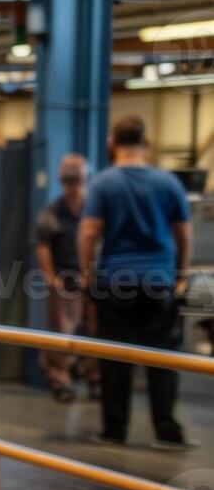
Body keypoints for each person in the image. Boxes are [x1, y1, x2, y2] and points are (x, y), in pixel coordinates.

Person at [79, 117, 196, 451]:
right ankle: (167, 430)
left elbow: (89, 232)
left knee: (115, 359)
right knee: (164, 359)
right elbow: (183, 232)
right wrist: (181, 275)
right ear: (146, 142)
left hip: (116, 281)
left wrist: (88, 276)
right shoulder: (168, 183)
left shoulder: (103, 184)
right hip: (159, 281)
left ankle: (114, 430)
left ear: (111, 143)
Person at [35, 154, 97, 402]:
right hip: (64, 281)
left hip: (91, 282)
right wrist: (52, 278)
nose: (72, 185)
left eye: (77, 179)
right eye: (68, 179)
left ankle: (93, 376)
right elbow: (42, 245)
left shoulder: (93, 210)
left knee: (95, 331)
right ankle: (60, 379)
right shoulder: (51, 212)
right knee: (59, 334)